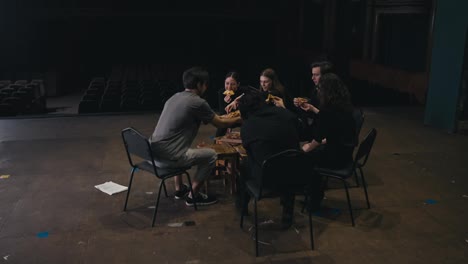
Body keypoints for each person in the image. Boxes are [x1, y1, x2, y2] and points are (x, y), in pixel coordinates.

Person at [149, 67, 242, 206]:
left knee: (180, 146)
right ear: (199, 84)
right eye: (205, 84)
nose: (206, 87)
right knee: (211, 155)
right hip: (168, 159)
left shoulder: (174, 97)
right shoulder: (197, 102)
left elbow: (214, 117)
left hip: (154, 155)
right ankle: (193, 196)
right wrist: (240, 119)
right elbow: (220, 123)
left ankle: (179, 189)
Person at [237, 89, 321, 228]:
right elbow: (304, 134)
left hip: (267, 180)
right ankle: (287, 215)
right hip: (297, 175)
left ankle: (242, 206)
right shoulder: (285, 113)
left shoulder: (248, 125)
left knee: (245, 163)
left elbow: (249, 151)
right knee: (287, 163)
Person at [301, 73, 356, 169]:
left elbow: (318, 138)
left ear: (326, 91)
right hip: (346, 155)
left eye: (320, 89)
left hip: (335, 159)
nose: (318, 91)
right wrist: (313, 109)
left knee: (301, 157)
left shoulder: (328, 110)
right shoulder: (344, 105)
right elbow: (333, 126)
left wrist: (305, 149)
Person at [293, 61, 334, 141]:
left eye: (316, 75)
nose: (312, 78)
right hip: (315, 126)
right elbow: (314, 105)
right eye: (312, 74)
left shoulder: (333, 94)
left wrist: (312, 109)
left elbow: (330, 121)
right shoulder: (316, 89)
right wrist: (302, 103)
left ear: (326, 76)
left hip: (327, 135)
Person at [216, 71, 246, 137]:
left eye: (233, 84)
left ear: (238, 84)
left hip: (241, 118)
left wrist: (238, 101)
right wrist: (226, 103)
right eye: (227, 83)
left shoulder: (242, 91)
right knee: (221, 126)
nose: (229, 87)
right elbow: (222, 113)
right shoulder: (221, 92)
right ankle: (217, 143)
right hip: (229, 118)